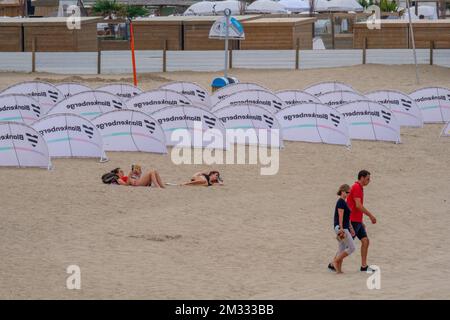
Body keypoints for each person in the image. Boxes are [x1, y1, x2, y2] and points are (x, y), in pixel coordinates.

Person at [347, 170, 377, 272]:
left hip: (357, 221)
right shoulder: (356, 187)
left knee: (365, 241)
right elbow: (358, 205)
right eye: (368, 179)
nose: (369, 181)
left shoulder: (359, 188)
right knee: (347, 245)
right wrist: (370, 216)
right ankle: (333, 263)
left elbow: (355, 206)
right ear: (362, 178)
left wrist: (361, 221)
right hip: (352, 221)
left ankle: (363, 266)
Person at [329, 184, 356, 274]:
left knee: (342, 248)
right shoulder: (341, 201)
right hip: (341, 228)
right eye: (347, 192)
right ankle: (335, 261)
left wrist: (351, 228)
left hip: (343, 227)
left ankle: (339, 270)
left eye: (349, 192)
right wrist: (341, 228)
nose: (348, 194)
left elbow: (347, 218)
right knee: (352, 248)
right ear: (342, 192)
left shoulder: (344, 202)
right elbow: (340, 215)